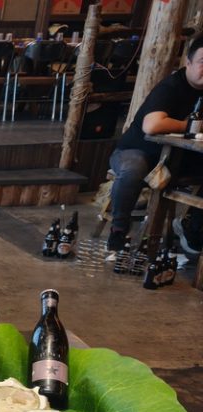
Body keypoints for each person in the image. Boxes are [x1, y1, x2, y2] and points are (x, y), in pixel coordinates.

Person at [108, 34, 203, 255]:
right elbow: (152, 125)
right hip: (138, 150)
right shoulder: (171, 86)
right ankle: (119, 230)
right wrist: (192, 126)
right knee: (133, 169)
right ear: (188, 62)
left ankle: (192, 227)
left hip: (182, 158)